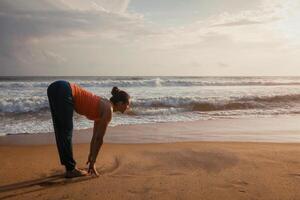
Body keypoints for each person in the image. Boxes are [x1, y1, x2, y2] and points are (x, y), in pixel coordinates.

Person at [47, 80, 130, 178]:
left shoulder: (104, 105)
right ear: (120, 103)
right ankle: (70, 169)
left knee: (60, 130)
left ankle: (69, 167)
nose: (128, 107)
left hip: (55, 88)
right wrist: (93, 163)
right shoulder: (108, 110)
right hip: (65, 90)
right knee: (66, 131)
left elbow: (95, 137)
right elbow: (99, 139)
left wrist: (91, 156)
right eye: (127, 104)